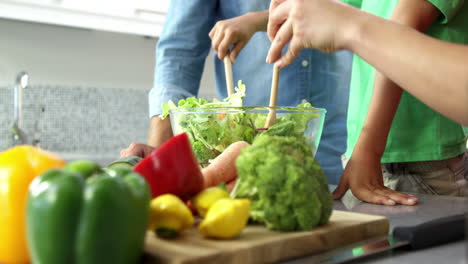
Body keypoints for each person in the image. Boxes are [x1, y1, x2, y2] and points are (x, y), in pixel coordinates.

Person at [120, 0, 353, 184]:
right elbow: (180, 52)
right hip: (237, 158)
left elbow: (356, 17)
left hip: (337, 151)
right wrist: (160, 147)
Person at [267, 0, 468, 204]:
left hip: (414, 165)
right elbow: (341, 10)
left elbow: (396, 35)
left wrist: (369, 148)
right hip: (364, 156)